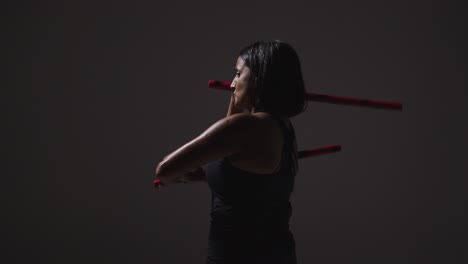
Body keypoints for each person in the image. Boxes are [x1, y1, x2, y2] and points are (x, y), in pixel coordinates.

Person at [155, 40, 308, 264]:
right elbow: (244, 174)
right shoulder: (282, 127)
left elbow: (165, 169)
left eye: (237, 73)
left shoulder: (245, 128)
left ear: (258, 79)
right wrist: (208, 173)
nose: (231, 84)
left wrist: (177, 174)